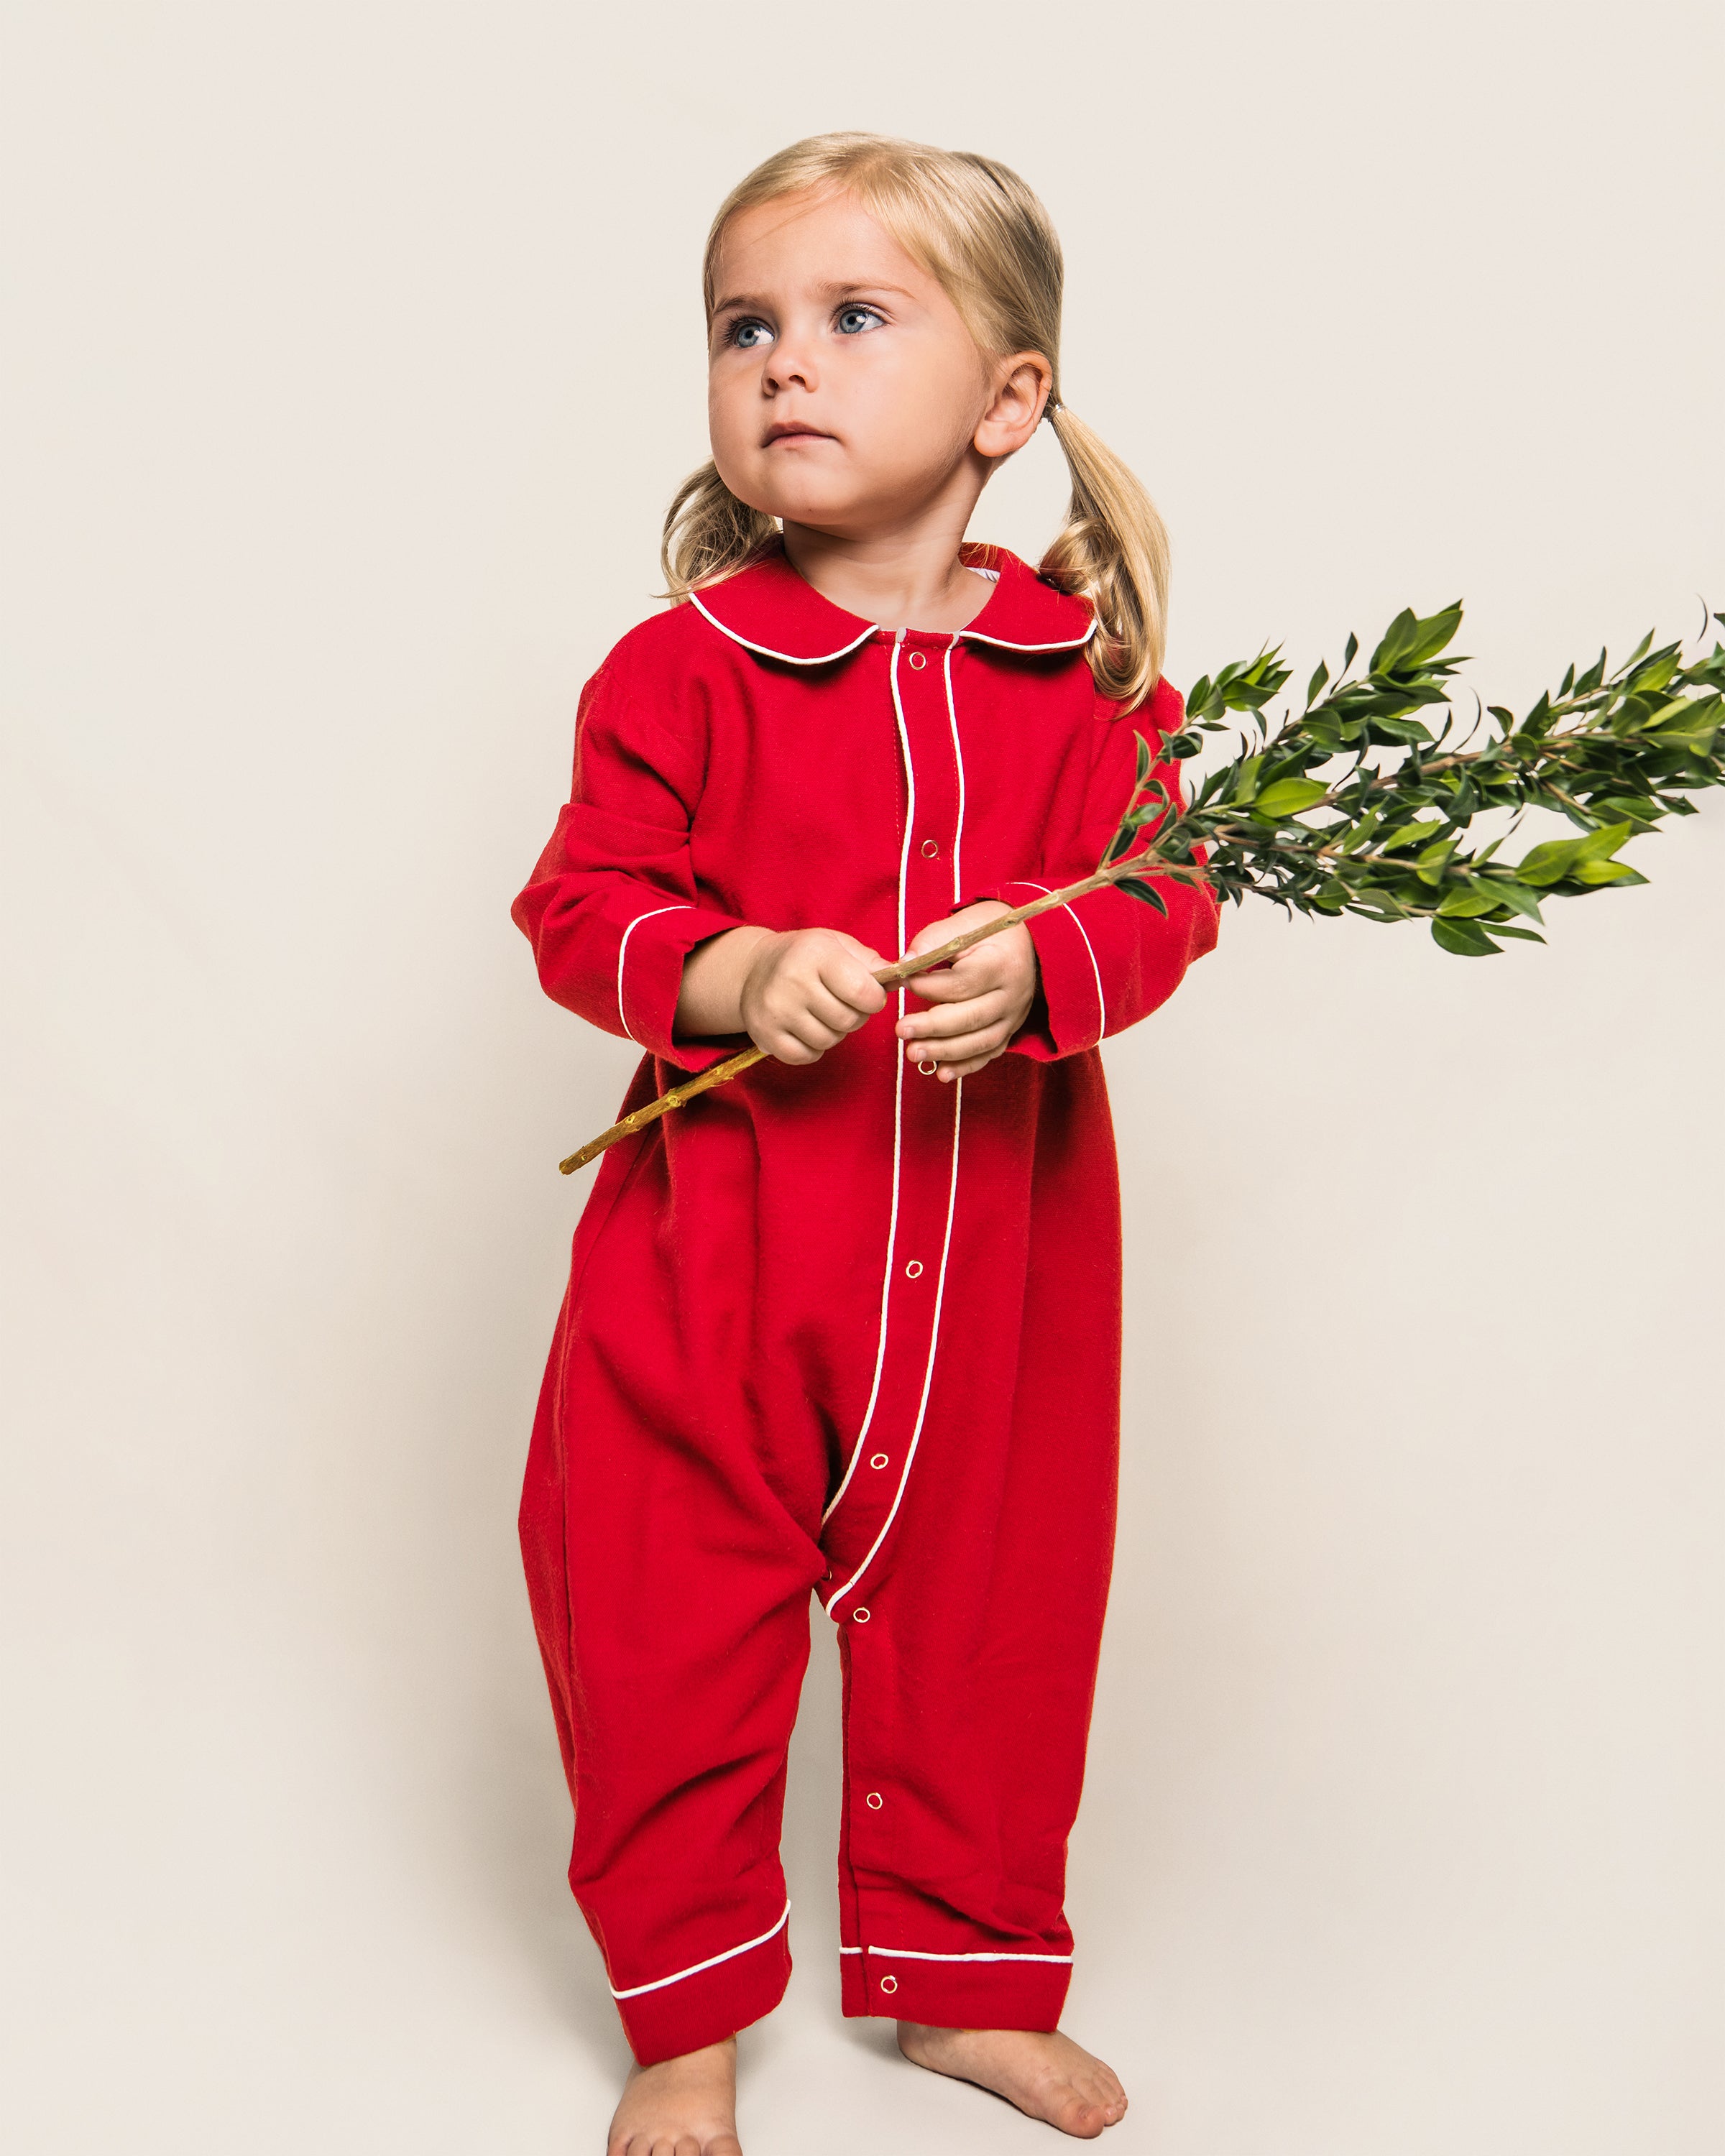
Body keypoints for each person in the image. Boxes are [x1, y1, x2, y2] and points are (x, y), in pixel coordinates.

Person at [512, 132, 1220, 2155]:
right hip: (705, 1285)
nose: (783, 367)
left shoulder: (1088, 687)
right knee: (659, 1630)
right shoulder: (680, 674)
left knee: (993, 1628)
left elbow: (1167, 890)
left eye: (849, 319)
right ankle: (686, 2016)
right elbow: (578, 905)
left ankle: (967, 1986)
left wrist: (1057, 965)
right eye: (746, 328)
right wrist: (730, 974)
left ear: (1011, 400)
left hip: (996, 1281)